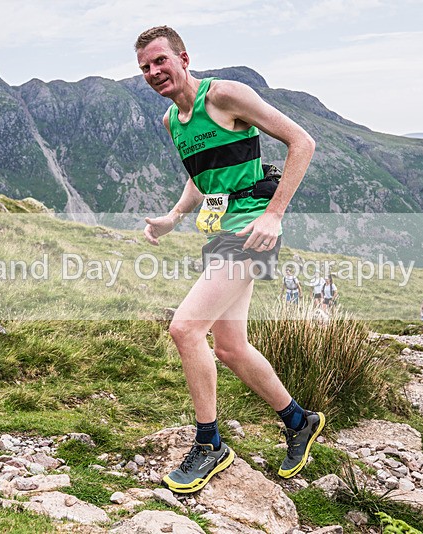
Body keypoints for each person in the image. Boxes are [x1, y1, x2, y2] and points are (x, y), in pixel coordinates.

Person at [135, 26, 323, 493]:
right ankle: (299, 420)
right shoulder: (172, 122)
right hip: (221, 230)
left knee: (184, 328)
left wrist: (274, 214)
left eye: (160, 61)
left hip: (253, 228)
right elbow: (203, 180)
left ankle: (210, 443)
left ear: (183, 58)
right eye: (145, 68)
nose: (154, 72)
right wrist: (173, 216)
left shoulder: (224, 96)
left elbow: (302, 142)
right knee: (230, 348)